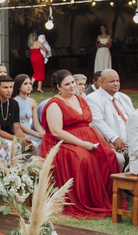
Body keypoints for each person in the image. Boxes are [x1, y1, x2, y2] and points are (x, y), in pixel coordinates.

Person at [40, 69, 117, 218]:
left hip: (86, 138)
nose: (72, 86)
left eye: (73, 82)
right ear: (58, 87)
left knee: (108, 155)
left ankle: (105, 198)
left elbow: (89, 123)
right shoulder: (54, 104)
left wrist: (104, 141)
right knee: (84, 158)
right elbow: (56, 132)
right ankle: (87, 201)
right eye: (67, 84)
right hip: (62, 143)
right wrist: (83, 143)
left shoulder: (80, 100)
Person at [87, 69, 132, 170]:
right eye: (112, 81)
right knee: (117, 159)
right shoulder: (92, 99)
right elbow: (98, 122)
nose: (116, 84)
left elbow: (134, 118)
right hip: (109, 143)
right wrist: (114, 138)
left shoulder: (124, 98)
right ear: (101, 82)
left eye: (117, 81)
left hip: (132, 142)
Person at [0, 75, 25, 148]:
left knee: (33, 145)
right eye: (5, 87)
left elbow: (17, 128)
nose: (9, 90)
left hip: (11, 136)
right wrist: (18, 140)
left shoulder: (14, 103)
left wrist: (24, 139)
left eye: (11, 87)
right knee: (17, 147)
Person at [12, 74, 45, 152]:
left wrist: (42, 133)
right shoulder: (14, 102)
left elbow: (36, 124)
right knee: (40, 142)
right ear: (19, 86)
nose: (29, 86)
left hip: (30, 132)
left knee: (46, 139)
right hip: (20, 133)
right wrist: (37, 134)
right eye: (25, 84)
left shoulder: (32, 102)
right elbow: (19, 126)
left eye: (30, 83)